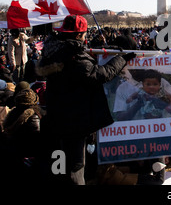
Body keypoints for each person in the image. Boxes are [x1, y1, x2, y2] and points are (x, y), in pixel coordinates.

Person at [36, 14, 135, 185]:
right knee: (75, 166)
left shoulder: (53, 50)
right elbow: (97, 75)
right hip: (73, 119)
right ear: (78, 35)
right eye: (83, 34)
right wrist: (121, 60)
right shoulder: (72, 54)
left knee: (63, 162)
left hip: (58, 115)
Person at [1, 88, 45, 183]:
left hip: (12, 157)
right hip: (28, 158)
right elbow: (37, 138)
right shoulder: (35, 115)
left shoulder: (11, 114)